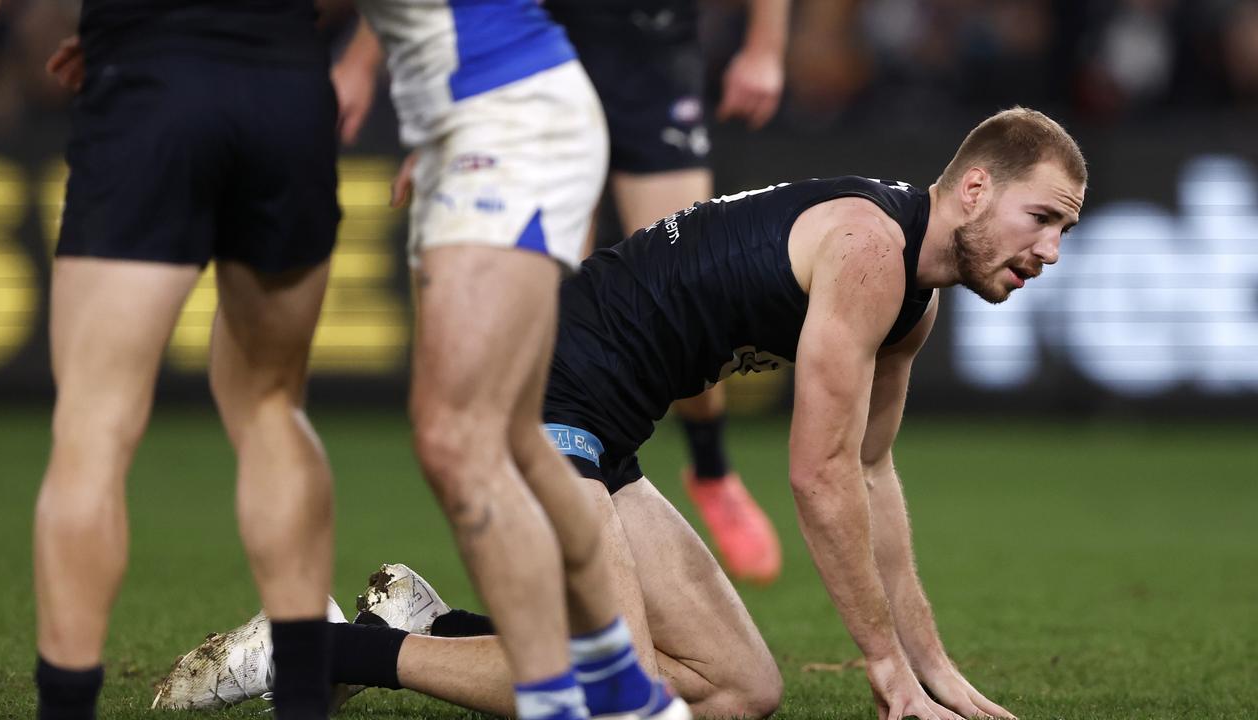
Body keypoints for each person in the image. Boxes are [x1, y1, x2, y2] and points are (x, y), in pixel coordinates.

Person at [154, 107, 1085, 720]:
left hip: (599, 433)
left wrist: (932, 669)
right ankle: (317, 648)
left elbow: (876, 475)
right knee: (618, 699)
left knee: (739, 691)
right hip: (531, 398)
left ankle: (434, 629)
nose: (1049, 249)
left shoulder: (910, 306)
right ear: (973, 188)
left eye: (1065, 231)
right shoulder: (871, 250)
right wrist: (882, 671)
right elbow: (820, 473)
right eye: (1041, 216)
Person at [326, 4, 687, 720]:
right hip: (496, 112)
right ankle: (625, 694)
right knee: (514, 434)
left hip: (505, 119)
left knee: (458, 437)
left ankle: (575, 701)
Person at [32, 2, 343, 719]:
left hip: (149, 74)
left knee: (93, 425)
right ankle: (302, 699)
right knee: (272, 404)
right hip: (285, 78)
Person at [542, 0, 791, 585]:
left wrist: (764, 48)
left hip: (655, 56)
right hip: (550, 53)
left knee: (687, 300)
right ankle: (577, 484)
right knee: (556, 310)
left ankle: (710, 469)